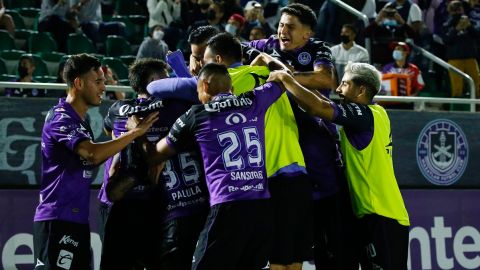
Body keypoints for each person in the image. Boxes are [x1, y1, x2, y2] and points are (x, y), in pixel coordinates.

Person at [137, 62, 281, 269]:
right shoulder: (253, 100)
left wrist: (138, 133)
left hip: (227, 206)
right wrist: (265, 59)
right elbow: (281, 78)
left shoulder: (197, 114)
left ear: (204, 86)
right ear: (230, 88)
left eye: (197, 92)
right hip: (262, 208)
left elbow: (153, 156)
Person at [268, 62, 410, 270]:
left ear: (361, 90)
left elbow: (319, 107)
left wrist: (285, 78)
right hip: (369, 214)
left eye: (344, 84)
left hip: (383, 215)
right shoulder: (371, 115)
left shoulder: (366, 115)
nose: (338, 89)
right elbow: (322, 102)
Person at [32, 53, 157, 270]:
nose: (104, 87)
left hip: (76, 222)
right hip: (57, 220)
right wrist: (135, 133)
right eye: (98, 81)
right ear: (78, 83)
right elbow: (92, 154)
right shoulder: (61, 117)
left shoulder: (81, 121)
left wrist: (125, 148)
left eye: (104, 81)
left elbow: (89, 161)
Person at [245, 4, 337, 269]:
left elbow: (324, 79)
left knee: (319, 223)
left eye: (291, 26)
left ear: (307, 33)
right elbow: (230, 48)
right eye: (281, 24)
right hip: (277, 141)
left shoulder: (318, 48)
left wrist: (284, 75)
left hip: (312, 139)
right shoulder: (267, 44)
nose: (283, 31)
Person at [442, 0, 480, 99]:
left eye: (459, 9)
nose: (457, 12)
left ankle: (477, 106)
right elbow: (446, 40)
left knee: (477, 83)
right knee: (457, 87)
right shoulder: (447, 24)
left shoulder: (470, 21)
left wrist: (469, 27)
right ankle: (456, 108)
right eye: (454, 10)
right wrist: (456, 29)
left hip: (470, 57)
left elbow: (477, 35)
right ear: (450, 11)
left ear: (462, 9)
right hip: (455, 59)